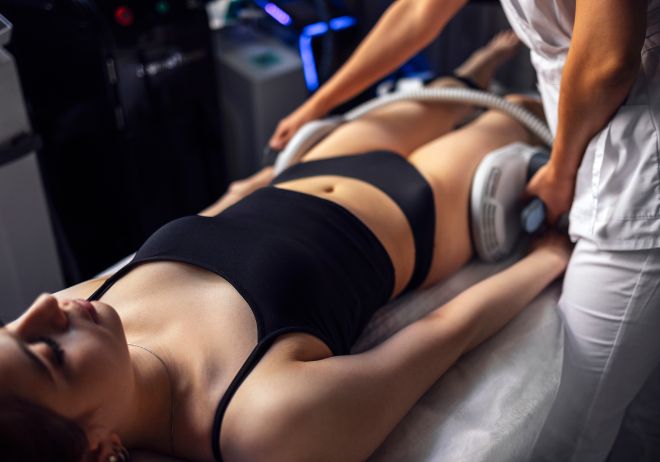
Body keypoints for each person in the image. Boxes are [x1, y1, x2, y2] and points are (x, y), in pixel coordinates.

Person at [0, 38, 570, 462]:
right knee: (525, 106)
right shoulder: (258, 422)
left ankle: (479, 64)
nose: (46, 307)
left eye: (12, 327)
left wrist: (256, 180)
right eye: (49, 356)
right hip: (419, 210)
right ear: (99, 449)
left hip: (309, 168)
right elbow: (442, 334)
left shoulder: (89, 307)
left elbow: (217, 217)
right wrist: (546, 261)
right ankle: (494, 80)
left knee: (441, 91)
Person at [270, 1, 660, 460]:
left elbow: (608, 56)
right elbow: (418, 11)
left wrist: (559, 172)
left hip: (633, 160)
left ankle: (486, 79)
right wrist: (317, 106)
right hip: (575, 119)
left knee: (568, 418)